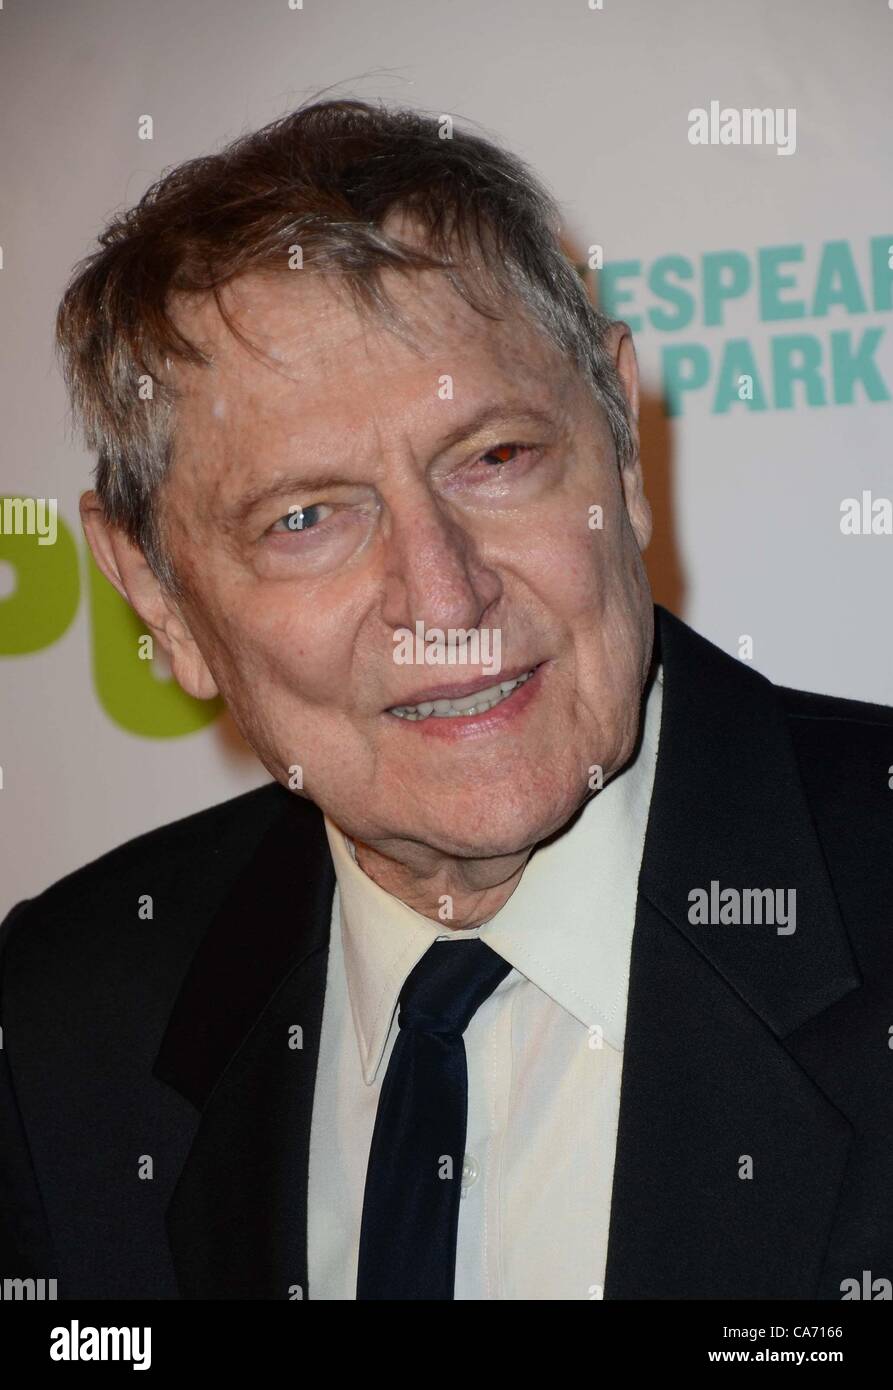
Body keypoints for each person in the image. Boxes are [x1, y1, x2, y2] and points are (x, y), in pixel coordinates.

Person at [1, 99, 891, 1301]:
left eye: (493, 459)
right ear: (155, 595)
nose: (441, 594)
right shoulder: (61, 1021)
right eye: (305, 518)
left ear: (621, 450)